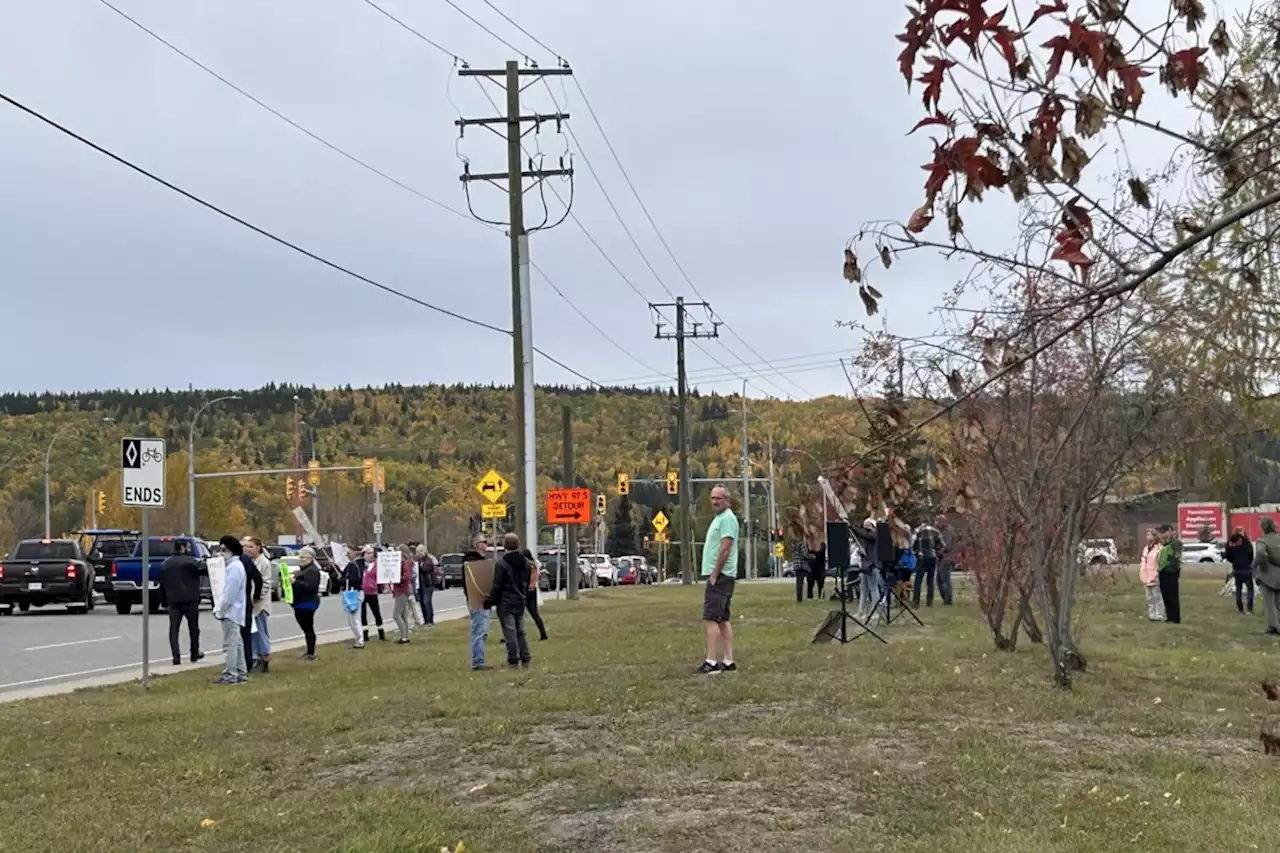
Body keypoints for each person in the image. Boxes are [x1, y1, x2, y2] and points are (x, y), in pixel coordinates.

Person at [699, 485, 740, 674]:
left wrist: (715, 572)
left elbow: (725, 547)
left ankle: (711, 660)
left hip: (721, 576)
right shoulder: (720, 519)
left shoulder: (728, 519)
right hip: (720, 575)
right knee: (723, 619)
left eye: (719, 498)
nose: (715, 501)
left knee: (711, 618)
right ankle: (729, 660)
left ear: (727, 500)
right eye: (713, 498)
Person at [487, 535, 533, 667]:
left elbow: (497, 585)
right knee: (520, 631)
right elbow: (527, 581)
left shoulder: (502, 564)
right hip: (520, 600)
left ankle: (513, 659)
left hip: (505, 602)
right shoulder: (526, 563)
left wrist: (491, 600)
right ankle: (526, 657)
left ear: (505, 545)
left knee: (510, 632)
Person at [159, 539, 204, 665]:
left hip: (173, 601)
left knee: (174, 629)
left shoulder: (165, 564)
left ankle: (176, 657)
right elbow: (205, 570)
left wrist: (164, 602)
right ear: (183, 548)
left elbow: (162, 584)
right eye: (188, 547)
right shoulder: (191, 562)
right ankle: (194, 654)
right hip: (190, 600)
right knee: (194, 628)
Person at [213, 536, 249, 684]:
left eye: (224, 550)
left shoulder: (235, 568)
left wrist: (220, 610)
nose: (220, 553)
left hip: (231, 612)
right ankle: (241, 672)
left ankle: (231, 674)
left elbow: (229, 593)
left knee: (230, 645)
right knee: (237, 643)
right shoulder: (232, 566)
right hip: (234, 611)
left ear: (231, 551)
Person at [463, 538, 494, 670]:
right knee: (479, 629)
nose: (486, 545)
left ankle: (479, 657)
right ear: (478, 545)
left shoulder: (482, 561)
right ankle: (478, 660)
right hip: (476, 599)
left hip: (484, 600)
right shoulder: (472, 563)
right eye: (484, 542)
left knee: (484, 629)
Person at [243, 537, 272, 674]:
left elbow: (265, 583)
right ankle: (255, 657)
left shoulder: (264, 562)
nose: (247, 549)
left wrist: (256, 598)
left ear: (258, 547)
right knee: (252, 632)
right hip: (249, 603)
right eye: (246, 546)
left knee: (261, 631)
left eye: (251, 547)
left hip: (260, 604)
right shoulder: (248, 562)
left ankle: (265, 656)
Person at [291, 546, 322, 660]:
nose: (300, 559)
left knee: (308, 627)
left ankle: (311, 653)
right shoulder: (303, 570)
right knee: (305, 627)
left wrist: (295, 582)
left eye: (303, 557)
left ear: (310, 558)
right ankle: (309, 651)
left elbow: (312, 587)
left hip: (307, 603)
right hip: (299, 602)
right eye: (300, 556)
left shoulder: (312, 570)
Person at [1252, 517, 1280, 636]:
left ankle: (1273, 627)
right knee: (1278, 603)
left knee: (1269, 603)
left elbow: (1260, 553)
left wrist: (1263, 566)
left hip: (1268, 576)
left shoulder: (1262, 541)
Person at [910, 519, 946, 607]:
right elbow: (943, 545)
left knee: (918, 580)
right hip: (932, 557)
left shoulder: (918, 532)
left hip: (922, 557)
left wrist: (917, 553)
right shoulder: (936, 532)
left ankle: (916, 601)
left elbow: (913, 546)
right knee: (930, 581)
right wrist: (937, 553)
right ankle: (929, 601)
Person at [358, 545, 387, 643]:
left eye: (371, 553)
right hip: (362, 591)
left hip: (372, 591)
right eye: (368, 553)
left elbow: (381, 576)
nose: (370, 555)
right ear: (363, 554)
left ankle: (381, 633)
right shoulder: (359, 564)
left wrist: (383, 586)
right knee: (363, 613)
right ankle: (365, 635)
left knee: (376, 612)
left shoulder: (376, 564)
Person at [1224, 528, 1255, 616]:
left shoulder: (1230, 542)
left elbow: (1227, 555)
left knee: (1238, 590)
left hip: (1236, 568)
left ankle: (1240, 608)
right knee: (1250, 590)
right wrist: (1249, 562)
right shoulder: (1246, 542)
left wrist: (1234, 561)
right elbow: (1251, 554)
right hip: (1246, 568)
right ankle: (1249, 609)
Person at [339, 550, 366, 648]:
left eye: (349, 553)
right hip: (357, 592)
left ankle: (360, 640)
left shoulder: (354, 565)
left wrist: (344, 580)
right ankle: (359, 638)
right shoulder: (357, 565)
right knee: (353, 619)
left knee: (355, 619)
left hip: (355, 593)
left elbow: (354, 580)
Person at [521, 548, 549, 641]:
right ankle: (543, 633)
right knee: (533, 613)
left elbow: (533, 577)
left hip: (528, 590)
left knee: (529, 613)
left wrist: (529, 587)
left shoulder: (530, 564)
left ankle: (543, 633)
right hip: (531, 590)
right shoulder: (533, 563)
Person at [1156, 525, 1183, 625]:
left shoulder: (1176, 544)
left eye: (1165, 532)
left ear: (1171, 531)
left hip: (1171, 572)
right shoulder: (1164, 544)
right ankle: (1169, 616)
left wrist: (1164, 566)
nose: (1163, 534)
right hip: (1163, 572)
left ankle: (1175, 617)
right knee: (1165, 595)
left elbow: (1173, 559)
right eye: (1162, 533)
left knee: (1172, 596)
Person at [1138, 528, 1165, 621]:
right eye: (1147, 535)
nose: (1147, 537)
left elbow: (1160, 562)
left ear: (1154, 536)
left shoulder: (1159, 548)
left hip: (1155, 577)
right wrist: (1142, 574)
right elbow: (1143, 562)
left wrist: (1156, 574)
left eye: (1149, 535)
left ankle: (1159, 614)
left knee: (1157, 597)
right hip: (1146, 577)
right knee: (1149, 598)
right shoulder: (1146, 549)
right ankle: (1152, 615)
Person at [391, 545, 415, 644]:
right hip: (401, 590)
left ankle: (404, 637)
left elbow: (407, 576)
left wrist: (398, 579)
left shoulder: (405, 563)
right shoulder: (404, 563)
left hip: (402, 590)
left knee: (396, 615)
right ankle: (404, 636)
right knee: (403, 614)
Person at [415, 545, 438, 626]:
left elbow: (425, 569)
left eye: (420, 552)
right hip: (420, 584)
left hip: (428, 584)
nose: (418, 554)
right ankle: (425, 620)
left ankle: (430, 620)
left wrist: (419, 565)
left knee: (427, 601)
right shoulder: (418, 560)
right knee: (421, 602)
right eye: (417, 552)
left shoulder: (428, 560)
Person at [790, 532, 810, 602]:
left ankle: (799, 597)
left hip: (796, 565)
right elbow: (805, 555)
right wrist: (812, 557)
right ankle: (800, 598)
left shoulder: (793, 544)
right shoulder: (801, 544)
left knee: (798, 582)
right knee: (801, 582)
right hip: (802, 565)